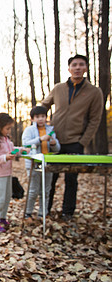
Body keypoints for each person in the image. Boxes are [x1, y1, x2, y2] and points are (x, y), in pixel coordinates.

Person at [42, 54, 103, 221]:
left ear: (85, 68)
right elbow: (43, 105)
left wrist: (83, 141)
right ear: (69, 68)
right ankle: (45, 210)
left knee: (71, 180)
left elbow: (95, 119)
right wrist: (41, 126)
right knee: (50, 178)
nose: (77, 67)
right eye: (74, 65)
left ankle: (67, 213)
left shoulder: (94, 92)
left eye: (81, 64)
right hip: (55, 142)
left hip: (75, 143)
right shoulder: (58, 88)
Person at [0, 113, 24, 233]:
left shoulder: (6, 140)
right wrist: (5, 158)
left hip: (7, 174)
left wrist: (22, 150)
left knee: (6, 197)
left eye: (10, 128)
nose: (9, 131)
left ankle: (2, 218)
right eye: (7, 128)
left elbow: (12, 150)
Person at [22, 106, 60, 219]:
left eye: (43, 116)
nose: (40, 119)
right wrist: (40, 139)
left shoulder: (50, 130)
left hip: (47, 163)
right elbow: (26, 144)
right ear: (32, 119)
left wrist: (53, 143)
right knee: (33, 190)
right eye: (37, 117)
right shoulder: (29, 130)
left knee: (46, 190)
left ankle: (43, 213)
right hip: (34, 163)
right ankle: (28, 212)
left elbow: (57, 148)